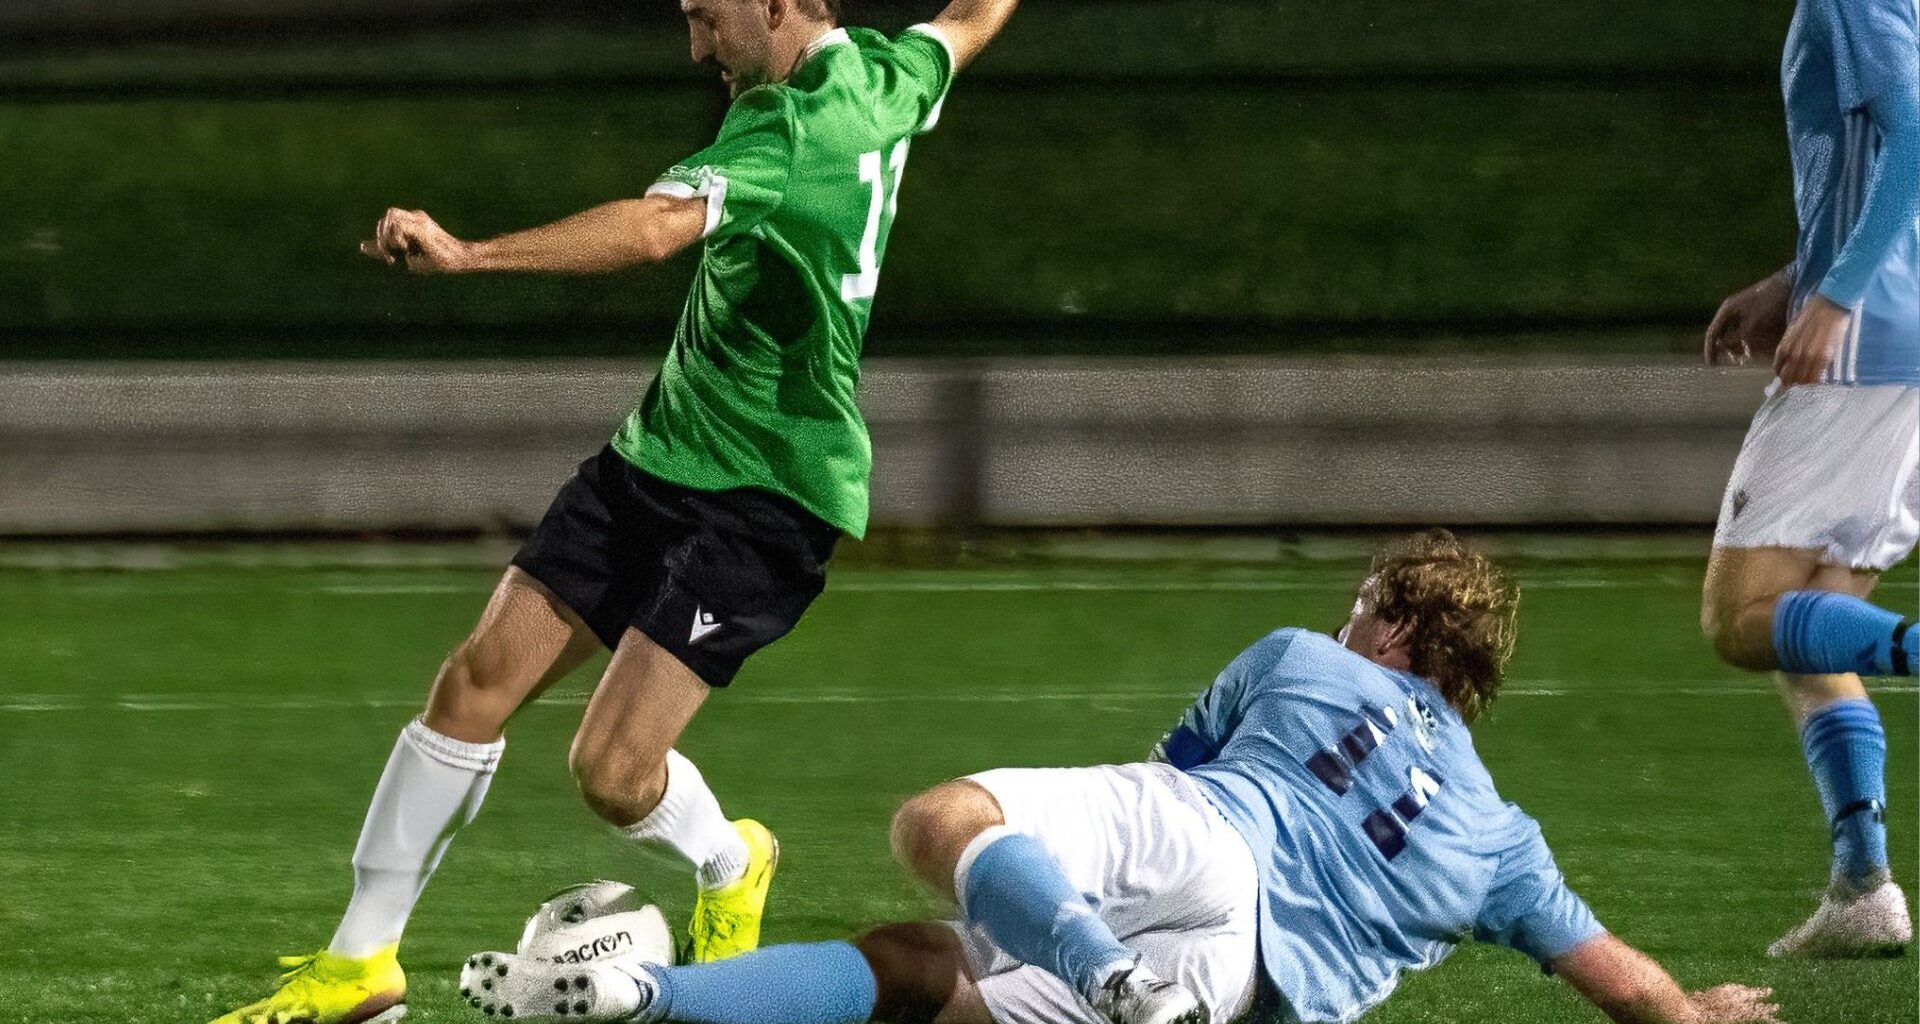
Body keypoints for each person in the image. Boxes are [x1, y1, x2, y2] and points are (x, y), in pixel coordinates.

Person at [206, 2, 1021, 1021]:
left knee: (611, 772)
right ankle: (360, 963)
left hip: (767, 501)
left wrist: (470, 256)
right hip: (654, 459)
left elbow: (651, 228)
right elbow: (971, 18)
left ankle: (729, 861)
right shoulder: (895, 75)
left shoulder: (792, 128)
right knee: (471, 685)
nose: (693, 47)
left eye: (707, 18)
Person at [458, 531, 1782, 1024]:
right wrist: (1702, 1012)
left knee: (944, 823)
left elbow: (1170, 775)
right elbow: (1621, 982)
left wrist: (1063, 919)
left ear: (1403, 630)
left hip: (1198, 837)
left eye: (1361, 605)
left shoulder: (1301, 662)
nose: (1344, 623)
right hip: (1240, 989)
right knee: (931, 984)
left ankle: (1095, 967)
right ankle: (639, 997)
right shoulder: (1503, 838)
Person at [1699, 0, 1918, 958]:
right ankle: (1863, 887)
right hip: (1901, 344)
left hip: (1867, 348)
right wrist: (1800, 275)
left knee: (1741, 618)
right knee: (1814, 633)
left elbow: (1916, 131)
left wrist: (1833, 297)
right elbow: (1882, 167)